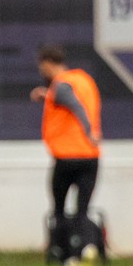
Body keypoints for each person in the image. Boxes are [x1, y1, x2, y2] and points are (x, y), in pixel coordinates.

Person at [31, 44, 102, 253]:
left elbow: (75, 105)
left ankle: (61, 251)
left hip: (67, 156)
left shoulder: (61, 84)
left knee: (59, 208)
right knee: (83, 210)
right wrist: (47, 96)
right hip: (90, 156)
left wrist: (88, 130)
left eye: (41, 67)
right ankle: (87, 248)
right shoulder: (84, 80)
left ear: (48, 64)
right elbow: (74, 101)